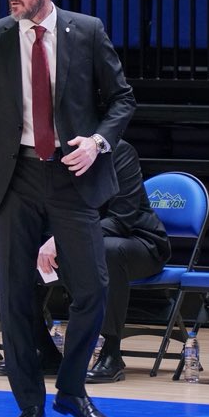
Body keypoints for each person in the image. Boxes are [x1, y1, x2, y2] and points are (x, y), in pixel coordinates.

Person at [0, 0, 135, 417]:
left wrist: (97, 141)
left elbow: (121, 100)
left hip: (72, 173)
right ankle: (29, 402)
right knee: (13, 292)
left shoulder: (87, 31)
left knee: (93, 286)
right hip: (17, 175)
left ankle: (71, 390)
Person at [37, 140, 171, 384]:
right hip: (81, 241)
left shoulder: (119, 151)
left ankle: (111, 353)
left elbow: (121, 219)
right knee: (22, 248)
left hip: (137, 240)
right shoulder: (53, 152)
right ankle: (43, 349)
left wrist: (64, 239)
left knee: (106, 250)